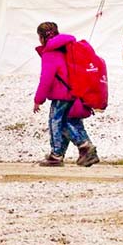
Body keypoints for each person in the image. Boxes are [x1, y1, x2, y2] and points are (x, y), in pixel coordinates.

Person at [33, 22, 99, 167]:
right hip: (74, 92)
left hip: (60, 94)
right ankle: (81, 152)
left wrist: (38, 99)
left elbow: (46, 78)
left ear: (42, 37)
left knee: (57, 123)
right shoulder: (67, 48)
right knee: (71, 122)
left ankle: (66, 152)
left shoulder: (50, 53)